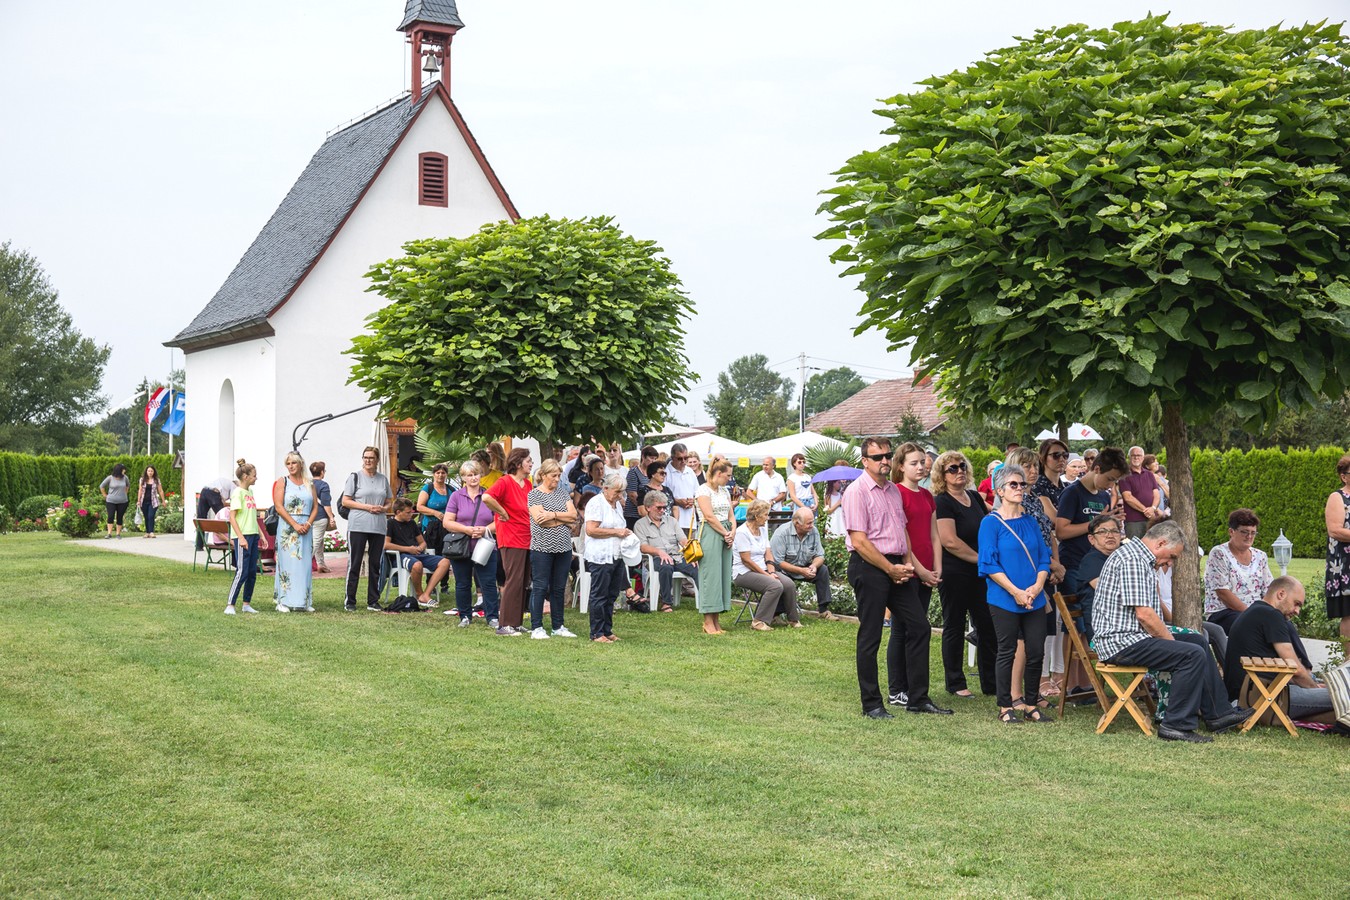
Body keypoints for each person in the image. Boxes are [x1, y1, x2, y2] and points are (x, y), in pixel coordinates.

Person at [1093, 521, 1254, 743]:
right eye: (1171, 556)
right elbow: (1145, 615)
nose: (1170, 562)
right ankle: (1175, 725)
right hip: (1119, 642)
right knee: (1190, 654)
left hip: (1131, 636)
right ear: (1160, 542)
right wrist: (1171, 642)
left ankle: (1219, 714)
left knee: (1197, 641)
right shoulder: (1133, 561)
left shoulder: (1139, 558)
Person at [844, 437, 950, 718]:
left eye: (887, 456)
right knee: (871, 635)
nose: (884, 461)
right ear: (865, 461)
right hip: (869, 565)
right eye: (877, 457)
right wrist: (889, 569)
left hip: (896, 565)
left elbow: (901, 530)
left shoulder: (892, 491)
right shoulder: (857, 492)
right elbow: (859, 540)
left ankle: (918, 698)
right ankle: (872, 704)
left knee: (920, 627)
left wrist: (905, 564)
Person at [979, 463, 1053, 723]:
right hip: (1003, 597)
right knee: (1006, 649)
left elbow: (1045, 557)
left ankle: (1031, 704)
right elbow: (988, 564)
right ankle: (1005, 706)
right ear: (999, 490)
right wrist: (1015, 591)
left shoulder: (1031, 521)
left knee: (1036, 650)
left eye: (1022, 484)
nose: (1020, 488)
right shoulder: (990, 523)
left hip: (1035, 595)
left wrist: (1037, 586)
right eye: (1014, 484)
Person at [1224, 577, 1335, 722]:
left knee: (1334, 694)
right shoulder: (1272, 616)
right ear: (1281, 594)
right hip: (1263, 696)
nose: (1297, 611)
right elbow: (1296, 669)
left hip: (1244, 696)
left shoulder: (1254, 611)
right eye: (1296, 604)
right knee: (1343, 695)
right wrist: (1314, 688)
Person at [933, 450, 996, 699]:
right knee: (955, 625)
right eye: (952, 468)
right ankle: (955, 682)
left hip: (980, 572)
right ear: (942, 474)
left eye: (962, 467)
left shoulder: (974, 497)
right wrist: (984, 561)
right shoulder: (942, 501)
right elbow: (949, 541)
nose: (959, 471)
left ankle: (991, 682)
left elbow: (991, 525)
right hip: (955, 572)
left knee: (987, 625)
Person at [889, 442, 942, 699]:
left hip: (927, 571)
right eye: (914, 463)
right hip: (908, 570)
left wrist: (937, 568)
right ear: (900, 466)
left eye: (922, 462)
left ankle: (910, 687)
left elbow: (934, 535)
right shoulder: (896, 493)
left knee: (916, 628)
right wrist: (918, 569)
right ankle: (898, 688)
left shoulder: (927, 495)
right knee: (903, 629)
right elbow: (903, 537)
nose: (921, 467)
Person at [1054, 446, 1128, 596]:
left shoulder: (1104, 496)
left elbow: (1099, 528)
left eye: (1115, 481)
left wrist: (1111, 526)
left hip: (1097, 566)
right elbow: (1061, 532)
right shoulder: (1072, 493)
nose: (1111, 485)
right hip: (1073, 566)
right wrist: (1096, 522)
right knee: (1076, 618)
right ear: (1097, 469)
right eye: (1110, 479)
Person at [442, 462, 502, 629]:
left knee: (488, 582)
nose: (473, 478)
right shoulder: (456, 496)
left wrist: (484, 529)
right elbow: (447, 522)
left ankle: (492, 617)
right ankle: (465, 616)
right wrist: (467, 530)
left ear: (480, 475)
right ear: (463, 478)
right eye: (469, 475)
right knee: (462, 583)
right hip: (462, 546)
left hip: (485, 545)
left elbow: (500, 521)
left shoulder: (488, 495)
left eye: (476, 474)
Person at [525, 459, 579, 639]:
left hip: (563, 547)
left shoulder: (563, 493)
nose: (557, 479)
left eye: (559, 475)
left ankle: (558, 625)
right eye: (553, 475)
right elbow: (540, 520)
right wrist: (563, 521)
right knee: (540, 586)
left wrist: (554, 516)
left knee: (558, 587)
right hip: (542, 547)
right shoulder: (534, 495)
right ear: (543, 475)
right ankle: (536, 627)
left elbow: (573, 516)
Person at [483, 447, 533, 636]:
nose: (531, 464)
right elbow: (487, 497)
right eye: (528, 461)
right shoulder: (504, 481)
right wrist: (502, 512)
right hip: (511, 538)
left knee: (523, 580)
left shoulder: (527, 484)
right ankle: (505, 624)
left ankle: (516, 621)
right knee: (513, 580)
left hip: (527, 537)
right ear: (518, 463)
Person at [731, 500, 802, 631]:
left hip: (762, 569)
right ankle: (758, 621)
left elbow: (768, 553)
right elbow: (746, 561)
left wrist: (771, 571)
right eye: (765, 515)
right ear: (756, 516)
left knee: (788, 584)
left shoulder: (763, 529)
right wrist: (767, 575)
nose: (767, 518)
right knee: (775, 585)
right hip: (743, 573)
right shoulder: (742, 532)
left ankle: (793, 619)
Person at [1204, 508, 1274, 634]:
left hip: (1255, 612)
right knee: (1253, 628)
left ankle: (1292, 655)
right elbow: (1223, 592)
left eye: (1253, 533)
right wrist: (1251, 614)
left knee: (1285, 626)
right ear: (1231, 531)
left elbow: (1269, 589)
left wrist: (1271, 613)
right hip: (1224, 613)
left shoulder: (1260, 556)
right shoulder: (1219, 554)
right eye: (1245, 532)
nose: (1249, 536)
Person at [584, 474, 634, 642]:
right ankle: (596, 633)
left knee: (612, 594)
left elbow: (619, 527)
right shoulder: (596, 503)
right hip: (600, 556)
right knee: (599, 594)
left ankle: (607, 630)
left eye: (622, 492)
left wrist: (626, 534)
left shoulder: (617, 505)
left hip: (616, 555)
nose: (620, 495)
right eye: (617, 491)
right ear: (605, 488)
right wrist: (616, 532)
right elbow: (591, 530)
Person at [341, 446, 392, 612]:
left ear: (377, 460)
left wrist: (384, 508)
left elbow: (389, 500)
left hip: (378, 526)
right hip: (358, 525)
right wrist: (367, 507)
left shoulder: (383, 479)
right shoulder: (355, 477)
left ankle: (373, 600)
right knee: (355, 563)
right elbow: (346, 501)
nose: (368, 460)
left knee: (375, 563)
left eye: (371, 457)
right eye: (365, 457)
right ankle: (350, 600)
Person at [272, 451, 319, 612]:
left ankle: (303, 601)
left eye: (294, 463)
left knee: (304, 564)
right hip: (288, 527)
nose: (291, 466)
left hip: (306, 527)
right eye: (288, 463)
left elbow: (315, 507)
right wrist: (294, 525)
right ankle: (283, 601)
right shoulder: (282, 481)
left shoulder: (309, 483)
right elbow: (279, 506)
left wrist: (308, 523)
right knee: (287, 563)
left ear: (300, 464)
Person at [695, 459, 737, 635]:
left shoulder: (725, 491)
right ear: (718, 474)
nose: (729, 479)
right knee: (710, 576)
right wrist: (725, 533)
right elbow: (709, 516)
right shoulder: (702, 490)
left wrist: (732, 530)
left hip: (725, 531)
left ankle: (717, 620)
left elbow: (731, 514)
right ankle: (707, 621)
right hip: (711, 533)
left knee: (722, 575)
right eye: (727, 475)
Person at [636, 490, 696, 612]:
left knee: (696, 567)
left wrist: (692, 554)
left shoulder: (672, 521)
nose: (662, 510)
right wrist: (659, 552)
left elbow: (683, 540)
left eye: (664, 507)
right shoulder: (640, 524)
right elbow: (643, 547)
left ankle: (707, 600)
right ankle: (666, 603)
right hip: (654, 559)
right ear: (648, 507)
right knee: (666, 566)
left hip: (676, 556)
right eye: (659, 508)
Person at [772, 507, 835, 619]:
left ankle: (823, 610)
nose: (812, 525)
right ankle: (776, 614)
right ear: (797, 523)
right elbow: (778, 562)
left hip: (804, 566)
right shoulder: (781, 533)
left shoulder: (813, 531)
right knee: (780, 578)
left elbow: (820, 555)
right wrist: (801, 571)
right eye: (809, 523)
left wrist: (814, 566)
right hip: (784, 569)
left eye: (812, 522)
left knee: (823, 570)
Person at [224, 461, 261, 615]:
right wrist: (241, 538)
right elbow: (232, 518)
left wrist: (262, 535)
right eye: (254, 475)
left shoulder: (250, 493)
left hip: (253, 535)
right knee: (242, 571)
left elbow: (252, 516)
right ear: (245, 477)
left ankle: (246, 603)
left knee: (252, 571)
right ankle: (230, 605)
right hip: (243, 537)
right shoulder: (237, 493)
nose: (256, 478)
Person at [1323, 453, 1350, 653]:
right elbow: (1334, 530)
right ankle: (1348, 664)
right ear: (1344, 476)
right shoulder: (1337, 497)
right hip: (1345, 566)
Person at [1118, 446, 1162, 540]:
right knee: (1136, 548)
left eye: (1139, 455)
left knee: (1152, 549)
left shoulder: (1150, 474)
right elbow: (1128, 497)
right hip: (1134, 521)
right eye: (1133, 455)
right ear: (1129, 457)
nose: (1136, 457)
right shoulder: (1125, 475)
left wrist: (1153, 508)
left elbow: (1157, 494)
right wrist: (1146, 511)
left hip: (1152, 519)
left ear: (1143, 457)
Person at [416, 463, 454, 549]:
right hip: (430, 527)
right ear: (434, 474)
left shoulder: (451, 489)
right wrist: (435, 513)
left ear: (446, 475)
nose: (440, 475)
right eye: (438, 473)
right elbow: (419, 507)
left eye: (443, 473)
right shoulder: (428, 488)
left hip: (447, 527)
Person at [664, 443, 700, 531]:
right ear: (672, 458)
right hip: (672, 520)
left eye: (686, 458)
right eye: (680, 458)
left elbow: (698, 492)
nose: (683, 461)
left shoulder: (690, 471)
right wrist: (676, 501)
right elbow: (662, 494)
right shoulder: (666, 472)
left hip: (690, 521)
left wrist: (693, 500)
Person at [625, 445, 660, 528]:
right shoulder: (634, 472)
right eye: (651, 458)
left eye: (655, 459)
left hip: (648, 512)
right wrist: (645, 508)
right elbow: (632, 495)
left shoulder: (652, 474)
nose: (653, 461)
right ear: (643, 457)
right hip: (633, 514)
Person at [309, 461, 334, 572]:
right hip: (320, 516)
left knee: (319, 542)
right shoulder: (324, 485)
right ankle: (303, 563)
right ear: (322, 472)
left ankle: (321, 564)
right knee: (316, 542)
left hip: (308, 517)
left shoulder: (307, 484)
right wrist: (331, 517)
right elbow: (325, 503)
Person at [1034, 439, 1070, 510]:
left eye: (1065, 455)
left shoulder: (1068, 487)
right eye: (1056, 455)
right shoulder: (1037, 486)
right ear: (1042, 458)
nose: (1062, 459)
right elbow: (1056, 519)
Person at [99, 463, 131, 539]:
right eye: (123, 469)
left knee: (120, 517)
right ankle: (109, 533)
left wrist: (124, 493)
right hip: (111, 501)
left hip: (123, 501)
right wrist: (105, 495)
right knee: (110, 516)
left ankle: (118, 534)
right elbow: (101, 486)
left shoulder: (125, 478)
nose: (124, 471)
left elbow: (127, 486)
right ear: (119, 470)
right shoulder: (110, 478)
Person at [135, 465, 165, 538]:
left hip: (153, 501)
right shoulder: (142, 479)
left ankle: (151, 532)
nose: (150, 472)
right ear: (146, 472)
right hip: (143, 501)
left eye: (151, 471)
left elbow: (160, 491)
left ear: (154, 472)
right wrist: (138, 500)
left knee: (151, 516)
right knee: (146, 517)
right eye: (149, 471)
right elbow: (140, 490)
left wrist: (163, 501)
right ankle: (147, 532)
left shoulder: (156, 480)